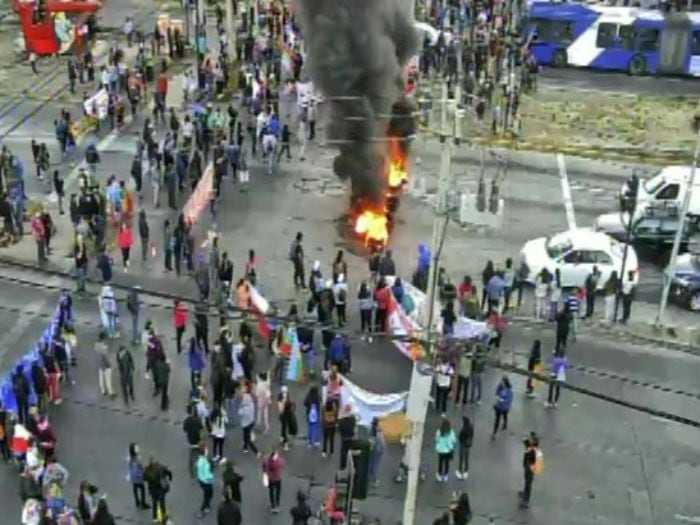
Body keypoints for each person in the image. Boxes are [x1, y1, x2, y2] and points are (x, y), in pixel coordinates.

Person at [519, 433, 543, 508]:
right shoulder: (530, 447)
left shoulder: (535, 451)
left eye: (532, 439)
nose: (530, 440)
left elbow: (538, 463)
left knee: (528, 484)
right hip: (528, 466)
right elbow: (526, 446)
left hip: (531, 468)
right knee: (526, 481)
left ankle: (526, 501)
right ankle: (524, 494)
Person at [183, 404, 204, 478]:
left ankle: (191, 472)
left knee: (191, 457)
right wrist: (202, 439)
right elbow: (201, 430)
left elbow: (185, 430)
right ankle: (201, 470)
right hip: (198, 441)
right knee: (201, 456)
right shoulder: (197, 420)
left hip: (191, 441)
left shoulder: (186, 421)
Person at [262, 447, 285, 513]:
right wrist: (278, 457)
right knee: (278, 492)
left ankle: (273, 505)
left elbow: (264, 467)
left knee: (271, 492)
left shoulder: (267, 461)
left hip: (270, 479)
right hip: (277, 478)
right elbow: (283, 464)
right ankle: (277, 504)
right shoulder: (278, 461)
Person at [434, 416, 457, 482]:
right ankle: (446, 475)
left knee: (440, 462)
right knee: (447, 463)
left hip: (440, 450)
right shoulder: (451, 432)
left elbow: (436, 439)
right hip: (448, 450)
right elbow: (454, 440)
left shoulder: (439, 431)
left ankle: (440, 475)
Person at [127, 443, 149, 509]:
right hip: (138, 476)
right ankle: (143, 503)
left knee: (135, 488)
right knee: (142, 488)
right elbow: (141, 466)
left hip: (133, 476)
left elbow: (129, 466)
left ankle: (137, 501)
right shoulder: (138, 458)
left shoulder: (130, 458)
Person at [238, 385, 258, 455]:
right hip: (251, 421)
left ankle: (256, 451)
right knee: (246, 435)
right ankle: (245, 447)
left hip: (245, 424)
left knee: (247, 437)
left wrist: (241, 405)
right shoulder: (252, 404)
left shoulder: (244, 409)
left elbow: (239, 413)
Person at [197, 447, 215, 517]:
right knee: (207, 495)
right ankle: (202, 509)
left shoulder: (200, 460)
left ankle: (207, 506)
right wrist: (211, 477)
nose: (207, 451)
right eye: (206, 450)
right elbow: (208, 474)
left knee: (208, 493)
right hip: (206, 481)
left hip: (201, 480)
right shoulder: (205, 463)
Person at [337, 403, 356, 470]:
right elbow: (354, 427)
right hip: (351, 438)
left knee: (343, 453)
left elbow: (339, 429)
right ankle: (353, 466)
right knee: (352, 452)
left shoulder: (342, 421)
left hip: (344, 438)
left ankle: (343, 466)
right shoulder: (353, 419)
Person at [95, 332, 114, 398]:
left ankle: (103, 391)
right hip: (105, 366)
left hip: (99, 365)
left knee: (101, 379)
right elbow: (105, 358)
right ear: (104, 339)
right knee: (108, 379)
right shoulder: (104, 347)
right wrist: (109, 365)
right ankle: (110, 393)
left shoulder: (96, 345)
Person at [368, 417, 386, 487]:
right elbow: (382, 443)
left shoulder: (371, 430)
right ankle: (375, 480)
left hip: (371, 449)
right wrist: (383, 450)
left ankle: (368, 477)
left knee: (370, 464)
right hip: (377, 450)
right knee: (375, 465)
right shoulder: (379, 433)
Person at [456, 416, 473, 480]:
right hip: (468, 445)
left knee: (461, 458)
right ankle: (466, 470)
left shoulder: (463, 430)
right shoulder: (470, 427)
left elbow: (460, 437)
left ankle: (460, 470)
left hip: (462, 445)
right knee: (466, 458)